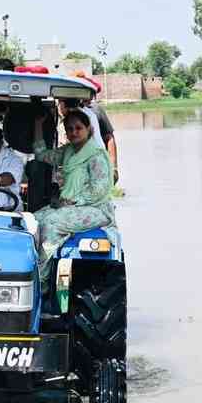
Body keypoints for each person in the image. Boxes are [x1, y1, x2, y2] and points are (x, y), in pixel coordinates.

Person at [32, 109, 116, 291]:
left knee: (51, 223)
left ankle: (41, 280)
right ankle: (26, 270)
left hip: (96, 208)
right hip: (70, 206)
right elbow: (41, 155)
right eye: (69, 129)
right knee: (33, 220)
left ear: (89, 129)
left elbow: (100, 190)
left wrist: (72, 201)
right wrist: (38, 125)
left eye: (78, 128)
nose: (74, 132)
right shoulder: (68, 152)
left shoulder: (96, 155)